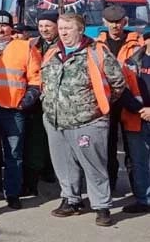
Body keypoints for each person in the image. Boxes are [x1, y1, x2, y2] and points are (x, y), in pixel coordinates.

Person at [42, 13, 125, 227]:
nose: (63, 32)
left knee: (94, 166)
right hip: (55, 120)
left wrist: (96, 108)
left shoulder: (97, 52)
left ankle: (102, 206)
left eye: (68, 28)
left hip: (87, 122)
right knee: (63, 164)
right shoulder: (52, 52)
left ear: (81, 29)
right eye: (61, 28)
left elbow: (117, 83)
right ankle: (71, 200)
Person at [0, 11, 42, 209]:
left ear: (11, 28)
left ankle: (13, 193)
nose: (0, 29)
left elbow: (36, 78)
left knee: (14, 154)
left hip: (13, 110)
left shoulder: (24, 47)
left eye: (4, 26)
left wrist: (28, 100)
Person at [97, 4, 143, 194]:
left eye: (118, 22)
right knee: (106, 150)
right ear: (104, 22)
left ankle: (139, 192)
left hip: (131, 102)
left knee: (134, 151)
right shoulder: (96, 45)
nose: (115, 26)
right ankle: (110, 188)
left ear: (125, 21)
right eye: (111, 22)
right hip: (107, 103)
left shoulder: (139, 44)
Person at [22, 10, 60, 195]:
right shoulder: (32, 44)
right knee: (36, 141)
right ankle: (33, 181)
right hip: (37, 101)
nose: (44, 29)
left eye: (48, 25)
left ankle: (52, 171)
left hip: (58, 101)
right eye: (41, 25)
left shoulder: (64, 45)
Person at [120, 33, 150, 213]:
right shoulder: (131, 62)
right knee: (139, 162)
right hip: (136, 118)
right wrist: (140, 110)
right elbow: (121, 88)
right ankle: (144, 200)